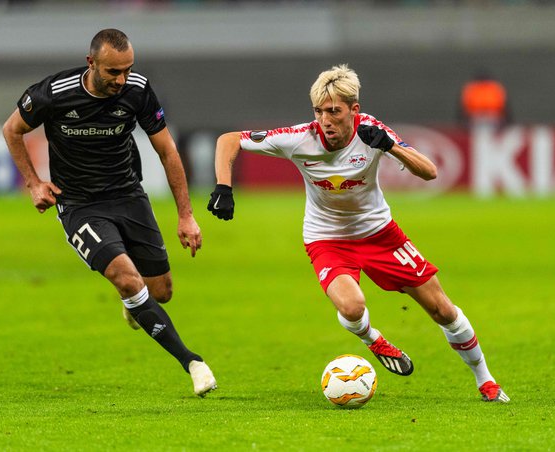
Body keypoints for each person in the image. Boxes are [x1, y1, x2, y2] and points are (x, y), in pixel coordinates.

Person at [208, 64, 509, 403]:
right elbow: (228, 140)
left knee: (442, 310)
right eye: (319, 111)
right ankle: (374, 340)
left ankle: (486, 380)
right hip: (327, 239)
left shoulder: (372, 131)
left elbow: (430, 172)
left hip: (380, 234)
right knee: (352, 308)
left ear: (354, 110)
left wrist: (391, 147)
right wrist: (223, 186)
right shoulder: (299, 139)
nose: (325, 120)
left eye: (334, 111)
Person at [2, 28, 217, 397]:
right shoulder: (53, 93)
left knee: (160, 292)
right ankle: (192, 362)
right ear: (92, 63)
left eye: (127, 69)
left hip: (128, 196)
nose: (121, 79)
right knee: (128, 280)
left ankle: (135, 304)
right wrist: (34, 182)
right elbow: (12, 130)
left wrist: (186, 215)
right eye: (113, 72)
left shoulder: (137, 90)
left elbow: (167, 151)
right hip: (80, 205)